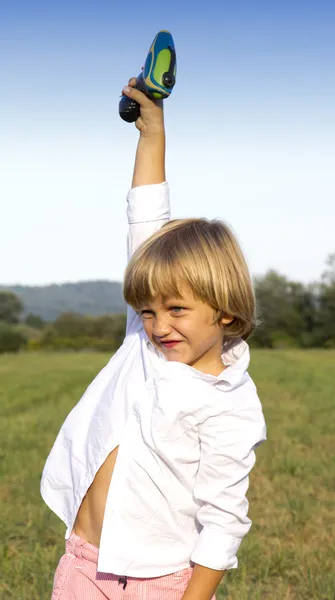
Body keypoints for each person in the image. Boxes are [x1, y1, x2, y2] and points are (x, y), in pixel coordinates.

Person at [41, 77, 267, 600]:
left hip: (157, 586)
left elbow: (225, 521)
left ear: (226, 311)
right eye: (146, 310)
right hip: (80, 564)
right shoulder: (141, 345)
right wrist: (151, 135)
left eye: (177, 309)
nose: (158, 324)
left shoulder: (230, 404)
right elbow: (146, 218)